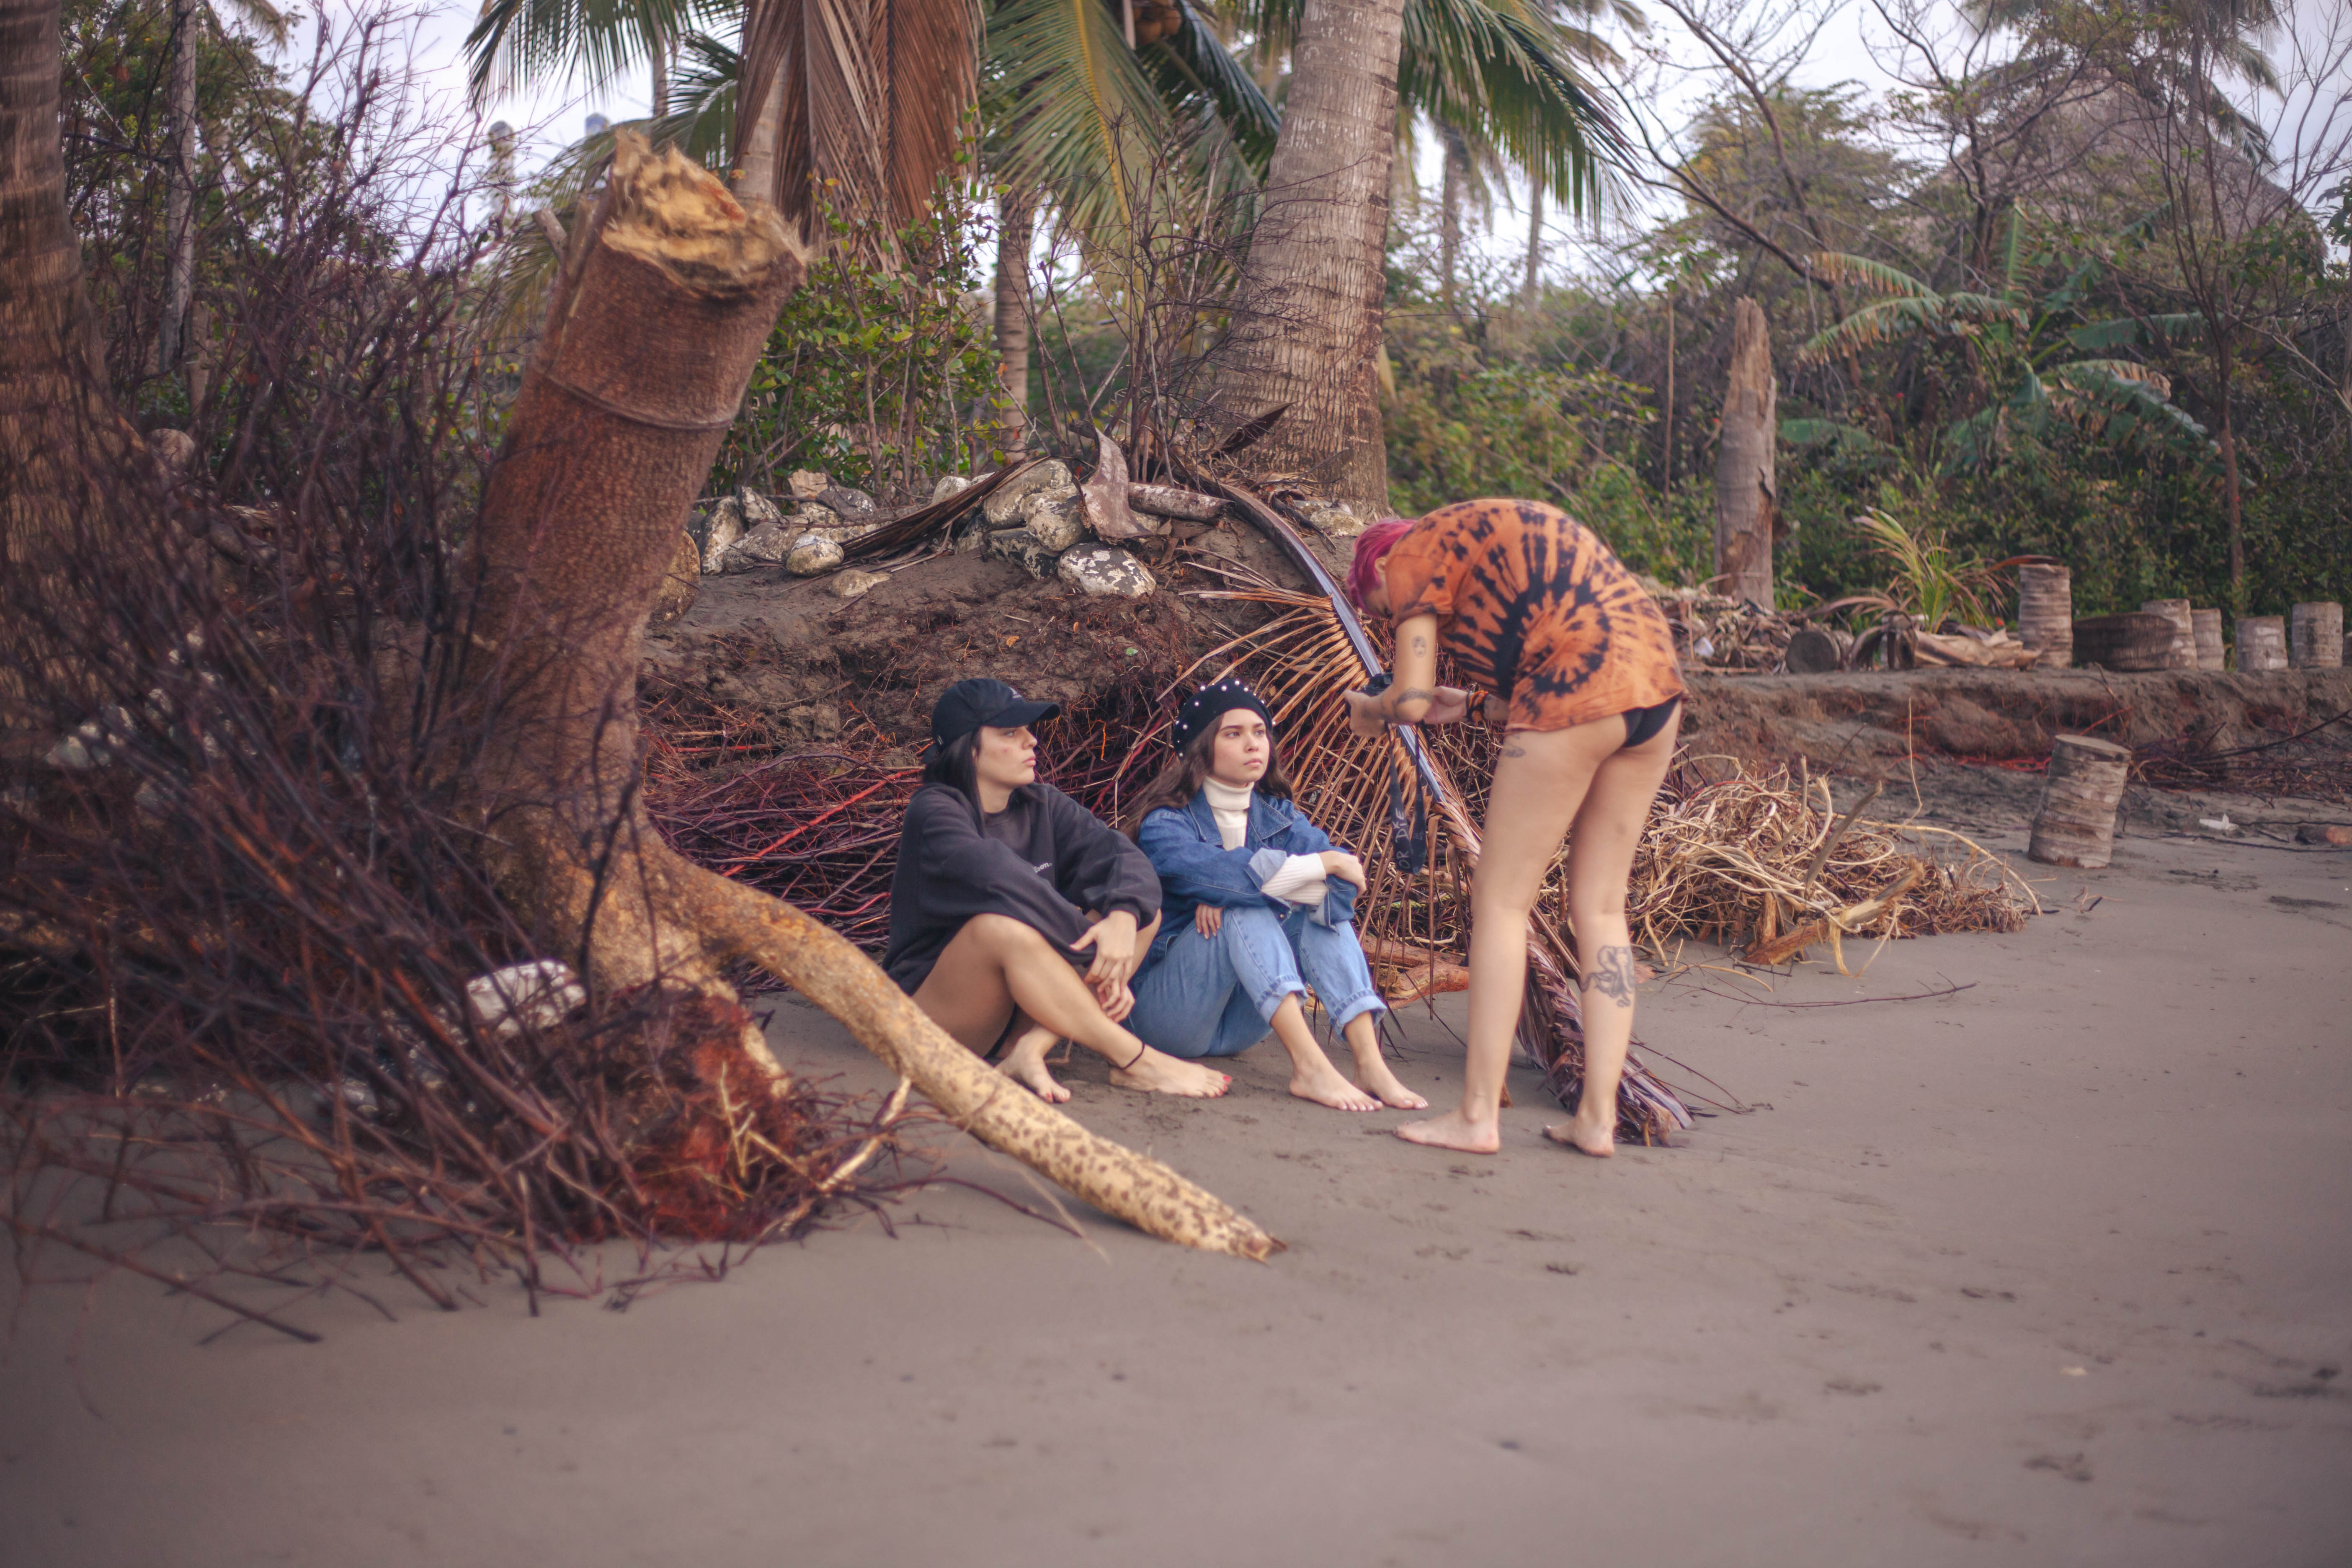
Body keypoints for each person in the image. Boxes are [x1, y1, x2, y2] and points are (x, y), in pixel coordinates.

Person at [1341, 499, 1684, 1156]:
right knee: (1601, 908)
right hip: (1655, 689)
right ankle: (1598, 1118)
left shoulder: (1407, 555)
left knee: (1500, 902)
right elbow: (1555, 626)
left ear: (1377, 569)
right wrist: (1470, 705)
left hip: (1576, 688)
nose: (1391, 621)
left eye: (1382, 612)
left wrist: (1371, 709)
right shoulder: (1474, 539)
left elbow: (1408, 698)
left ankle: (1476, 1115)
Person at [882, 678, 1231, 1103]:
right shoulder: (935, 811)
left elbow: (1124, 859)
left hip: (1021, 1007)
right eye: (1010, 733)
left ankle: (1030, 1048)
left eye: (1027, 730)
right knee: (999, 928)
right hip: (933, 1014)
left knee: (1138, 914)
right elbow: (1002, 883)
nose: (1031, 741)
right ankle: (1135, 1059)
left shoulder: (1042, 803)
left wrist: (1122, 922)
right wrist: (1097, 956)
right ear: (967, 748)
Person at [1124, 679, 1428, 1113]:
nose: (1253, 744)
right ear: (1202, 748)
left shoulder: (1278, 816)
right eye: (1234, 734)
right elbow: (1245, 875)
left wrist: (1238, 890)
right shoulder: (1166, 822)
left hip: (1243, 1025)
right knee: (1244, 908)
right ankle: (1310, 1068)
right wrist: (1314, 867)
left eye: (1260, 732)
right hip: (1169, 1017)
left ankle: (1369, 1063)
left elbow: (1343, 888)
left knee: (1315, 909)